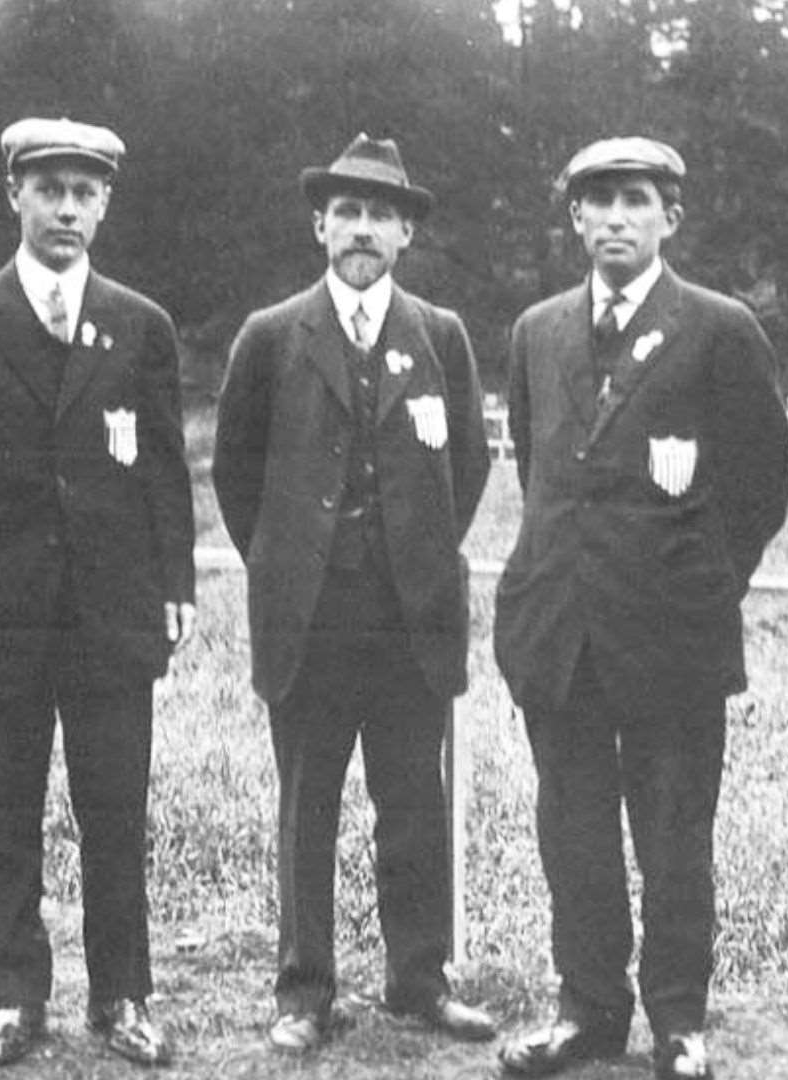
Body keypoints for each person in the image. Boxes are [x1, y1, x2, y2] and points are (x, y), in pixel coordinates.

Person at [492, 137, 788, 1080]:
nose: (615, 217)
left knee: (673, 835)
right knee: (573, 832)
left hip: (673, 637)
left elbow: (761, 482)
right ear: (574, 219)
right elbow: (537, 459)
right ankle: (587, 1009)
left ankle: (679, 1021)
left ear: (671, 216)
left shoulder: (719, 327)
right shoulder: (537, 331)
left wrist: (702, 585)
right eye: (597, 202)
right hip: (560, 636)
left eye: (636, 200)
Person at [0, 117, 196, 1068]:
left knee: (116, 811)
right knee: (8, 812)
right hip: (3, 613)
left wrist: (175, 582)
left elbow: (162, 468)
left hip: (112, 614)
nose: (67, 208)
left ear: (106, 203)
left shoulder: (141, 325)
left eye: (85, 192)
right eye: (49, 189)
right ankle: (13, 998)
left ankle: (123, 997)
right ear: (14, 196)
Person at [211, 133, 496, 1054]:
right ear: (319, 225)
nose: (364, 230)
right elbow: (234, 474)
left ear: (406, 233)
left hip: (410, 618)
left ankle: (420, 980)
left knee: (414, 802)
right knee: (308, 806)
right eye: (348, 212)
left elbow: (470, 466)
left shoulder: (441, 337)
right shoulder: (270, 336)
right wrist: (291, 561)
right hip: (309, 619)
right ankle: (304, 991)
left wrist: (413, 555)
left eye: (382, 214)